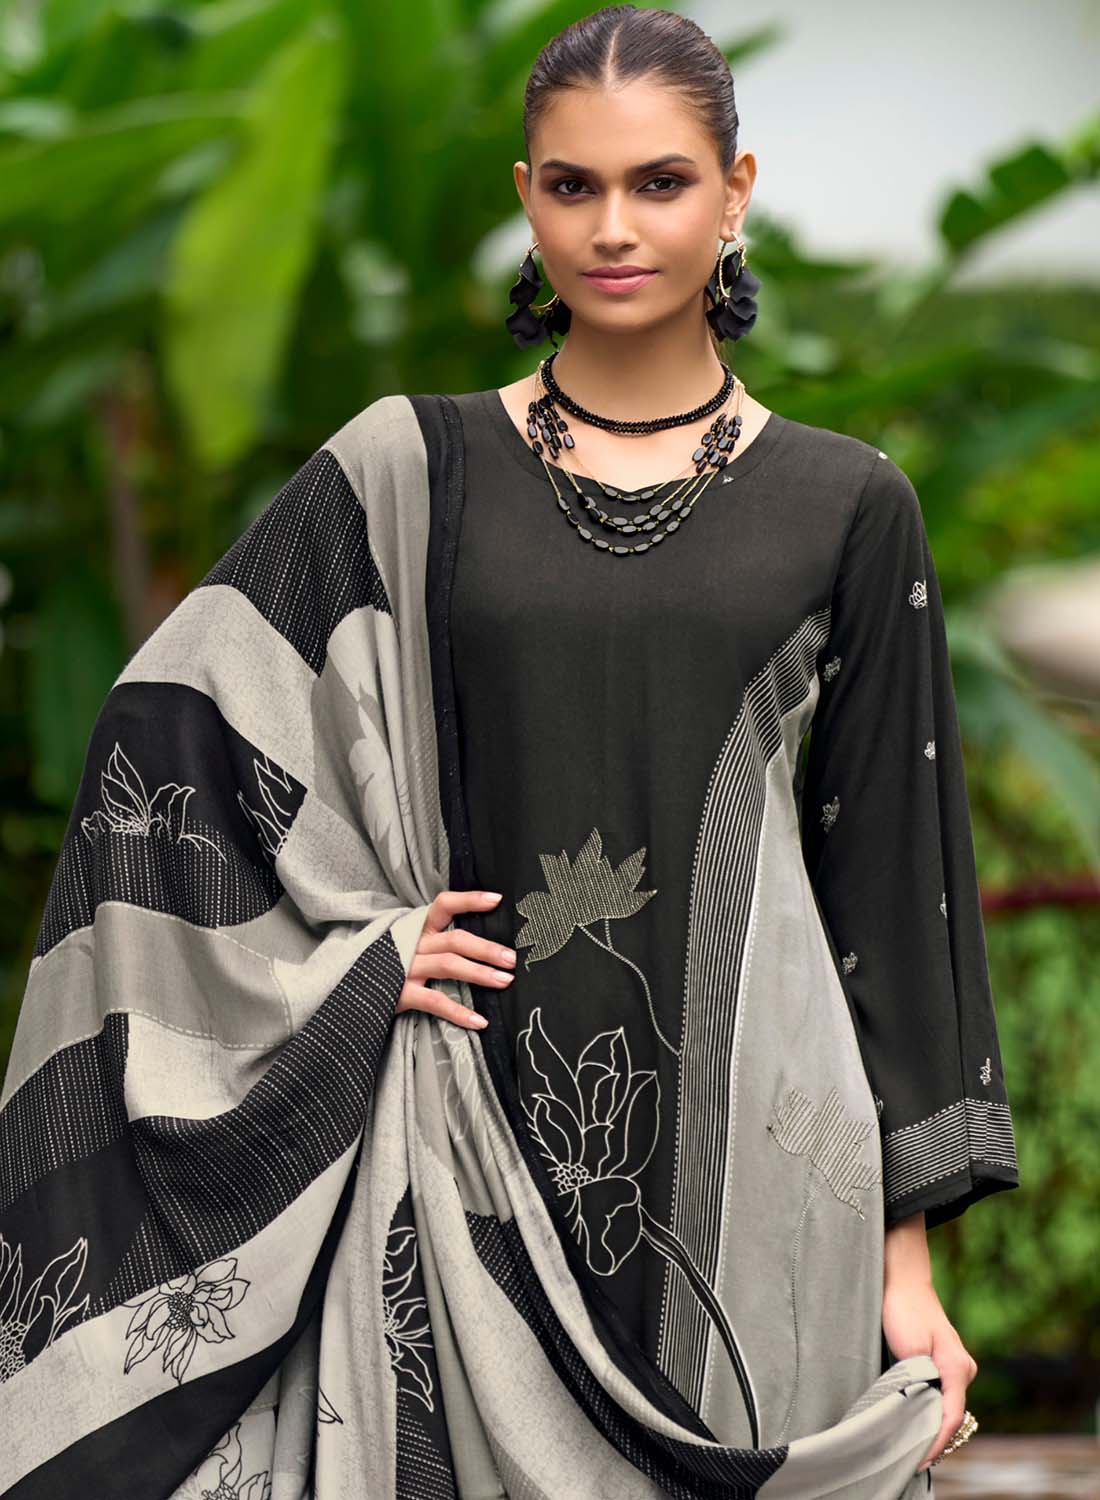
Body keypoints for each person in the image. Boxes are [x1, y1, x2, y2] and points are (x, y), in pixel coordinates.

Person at [0, 7, 1018, 1497]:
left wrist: (904, 1267)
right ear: (526, 197)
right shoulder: (410, 468)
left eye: (660, 183)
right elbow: (182, 741)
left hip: (759, 1166)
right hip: (451, 1138)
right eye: (572, 185)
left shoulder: (848, 505)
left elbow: (888, 891)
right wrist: (355, 958)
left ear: (735, 191)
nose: (614, 228)